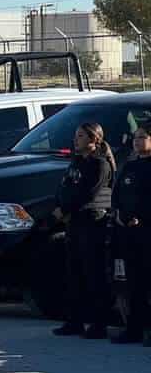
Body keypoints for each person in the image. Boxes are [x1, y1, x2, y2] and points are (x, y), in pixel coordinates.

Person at [53, 122, 116, 339]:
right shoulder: (76, 162)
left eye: (80, 136)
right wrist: (60, 206)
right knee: (74, 273)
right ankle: (74, 321)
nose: (75, 139)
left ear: (93, 140)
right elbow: (65, 187)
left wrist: (66, 209)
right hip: (74, 222)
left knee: (93, 274)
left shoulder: (100, 165)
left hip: (92, 222)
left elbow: (88, 193)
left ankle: (99, 324)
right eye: (75, 135)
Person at [110, 125, 151, 345]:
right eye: (135, 138)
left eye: (143, 137)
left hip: (146, 230)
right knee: (134, 283)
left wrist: (141, 217)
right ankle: (134, 328)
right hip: (127, 231)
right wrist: (118, 213)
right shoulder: (130, 166)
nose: (137, 141)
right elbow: (117, 194)